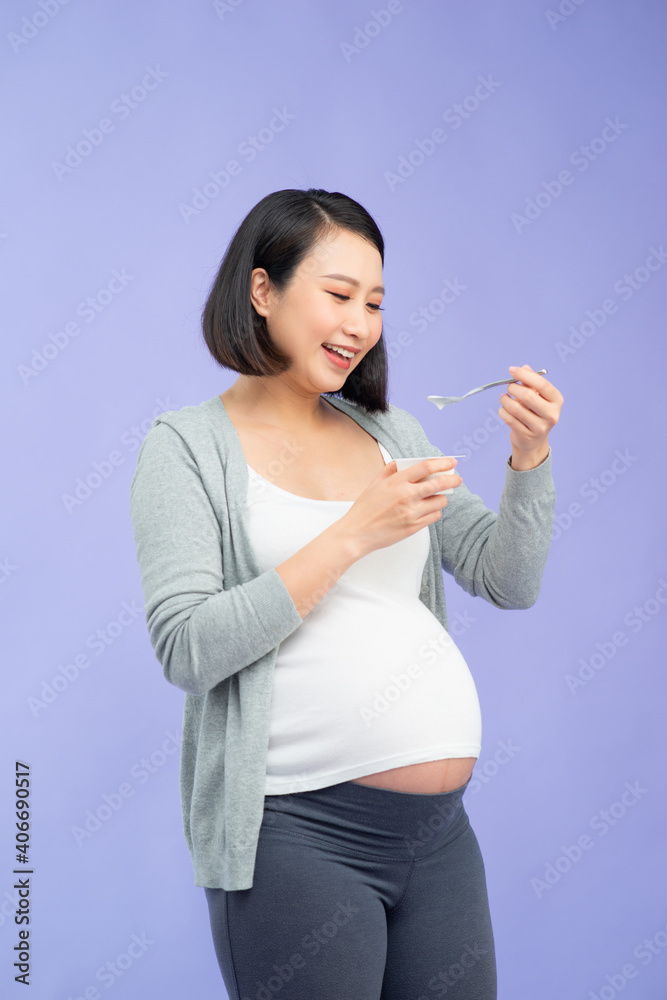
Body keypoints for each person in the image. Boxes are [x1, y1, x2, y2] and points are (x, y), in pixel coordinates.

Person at [129, 188, 563, 999]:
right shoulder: (186, 448)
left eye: (374, 302)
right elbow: (188, 648)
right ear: (262, 291)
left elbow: (507, 580)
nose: (360, 324)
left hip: (438, 841)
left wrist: (529, 455)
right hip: (299, 839)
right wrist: (353, 533)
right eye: (338, 295)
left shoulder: (389, 432)